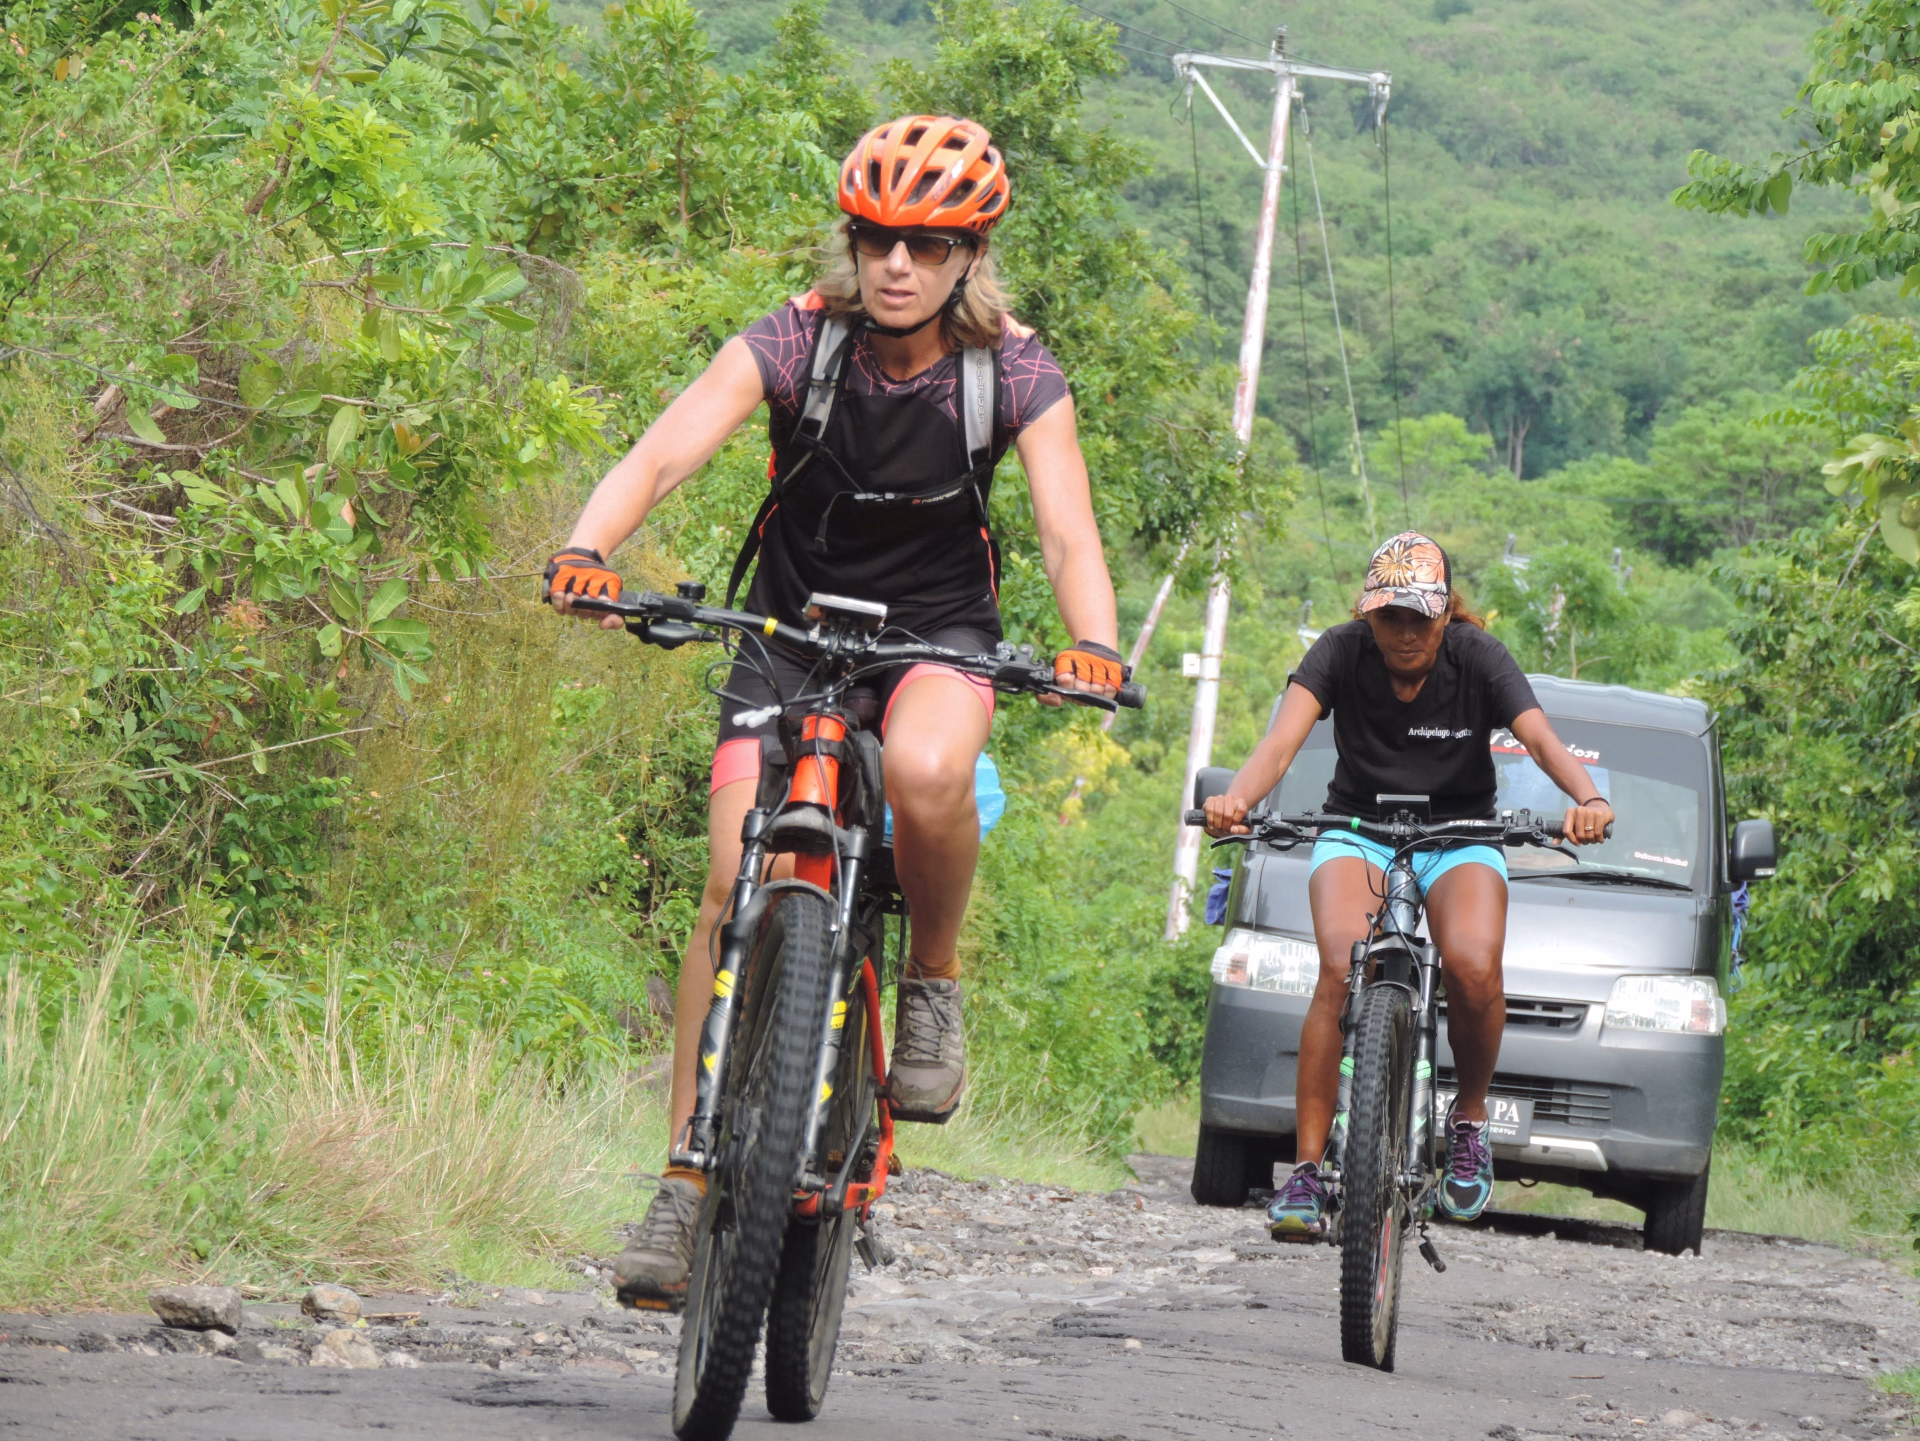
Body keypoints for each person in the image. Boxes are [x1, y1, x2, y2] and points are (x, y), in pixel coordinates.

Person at [546, 115, 1125, 1309]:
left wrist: (1095, 646)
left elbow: (1068, 530)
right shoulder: (793, 342)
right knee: (725, 885)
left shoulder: (1015, 371)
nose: (896, 263)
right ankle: (685, 1179)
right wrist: (589, 545)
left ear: (971, 255)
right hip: (787, 636)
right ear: (850, 242)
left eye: (926, 242)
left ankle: (934, 983)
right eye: (875, 238)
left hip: (935, 643)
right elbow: (663, 453)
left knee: (924, 774)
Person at [1201, 532, 1615, 1239]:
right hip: (1356, 826)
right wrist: (1237, 797)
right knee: (1338, 965)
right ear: (1369, 616)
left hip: (1461, 834)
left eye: (1419, 619)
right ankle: (1304, 1173)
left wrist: (1587, 798)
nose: (1403, 634)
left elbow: (1543, 739)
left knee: (1476, 966)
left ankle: (1470, 1118)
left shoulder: (1478, 658)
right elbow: (1280, 743)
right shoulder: (1337, 651)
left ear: (1446, 614)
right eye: (1388, 618)